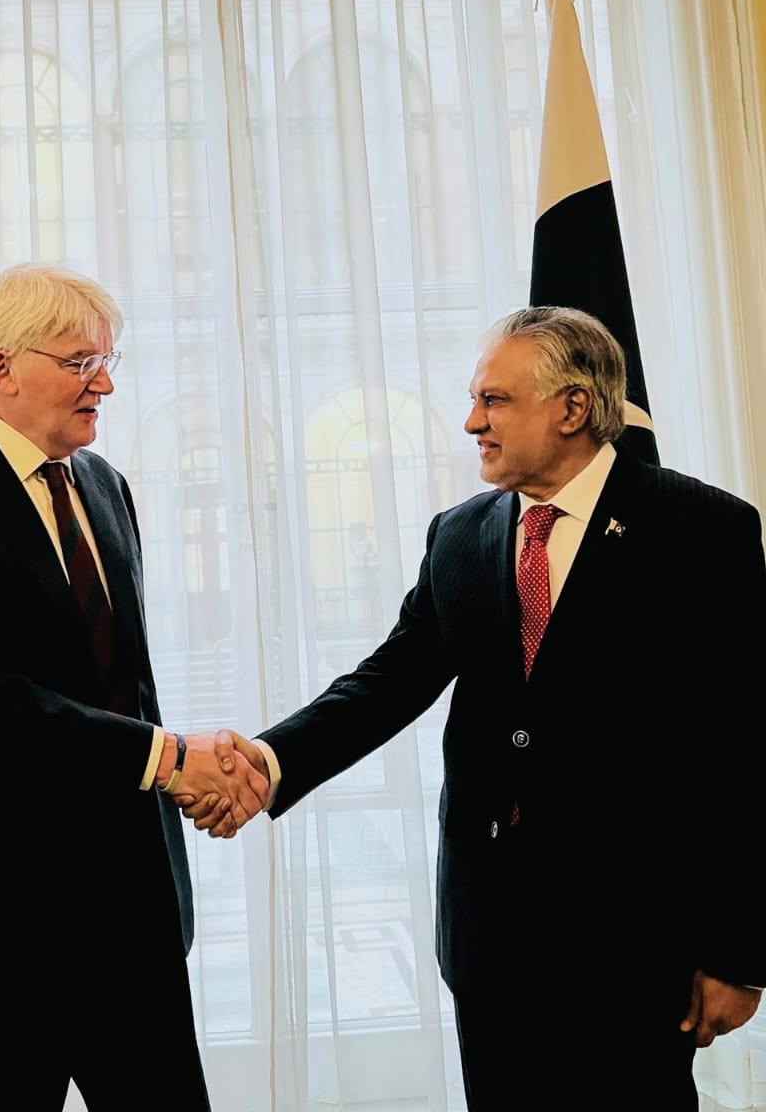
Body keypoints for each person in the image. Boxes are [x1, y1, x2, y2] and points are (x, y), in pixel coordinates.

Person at [182, 306, 766, 1111]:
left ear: (571, 408)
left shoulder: (704, 531)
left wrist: (736, 953)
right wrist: (268, 761)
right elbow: (387, 682)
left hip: (634, 937)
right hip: (490, 934)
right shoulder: (459, 534)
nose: (470, 423)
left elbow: (742, 749)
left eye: (494, 401)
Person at [0, 265, 268, 1111]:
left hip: (130, 911)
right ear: (0, 369)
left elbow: (124, 687)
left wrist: (194, 773)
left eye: (108, 359)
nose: (106, 383)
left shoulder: (105, 488)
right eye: (82, 361)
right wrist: (170, 757)